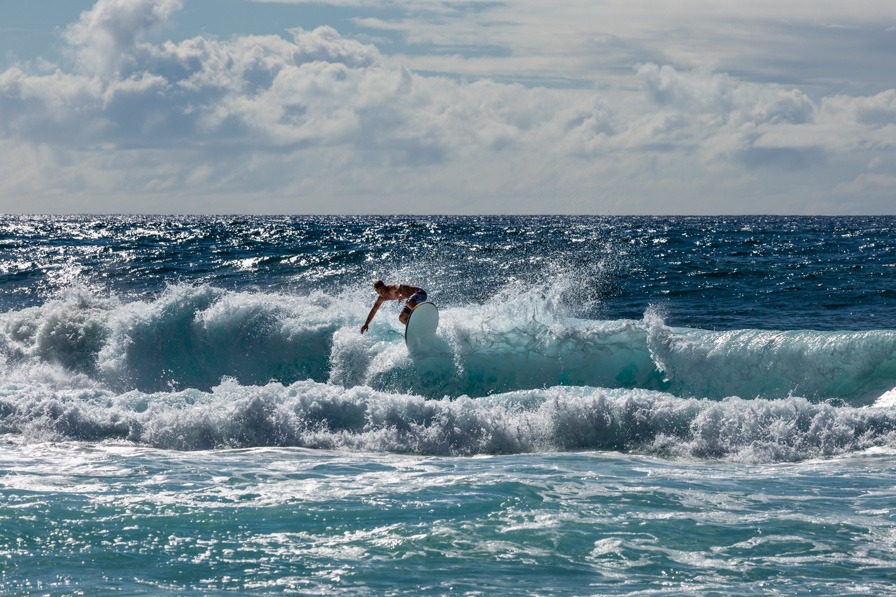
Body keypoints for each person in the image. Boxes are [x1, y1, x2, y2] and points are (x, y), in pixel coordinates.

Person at [360, 280, 427, 334]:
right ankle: (417, 329)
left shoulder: (390, 288)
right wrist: (366, 324)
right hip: (413, 302)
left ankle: (424, 317)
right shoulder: (381, 298)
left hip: (420, 293)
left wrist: (400, 294)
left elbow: (398, 286)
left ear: (384, 286)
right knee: (402, 318)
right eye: (378, 292)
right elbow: (374, 310)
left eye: (381, 291)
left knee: (408, 302)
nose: (381, 293)